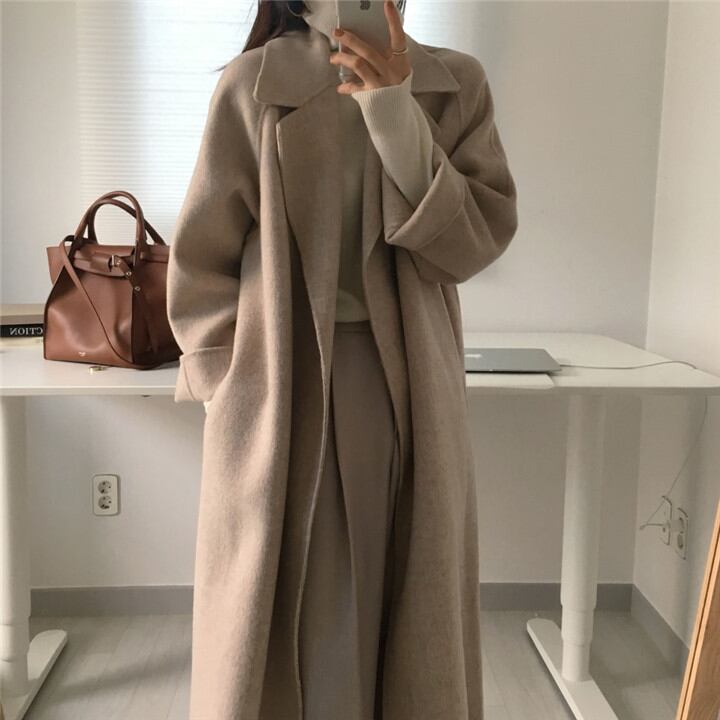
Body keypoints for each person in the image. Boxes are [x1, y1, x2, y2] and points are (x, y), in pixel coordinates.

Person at [166, 1, 519, 718]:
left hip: (410, 383)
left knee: (407, 600)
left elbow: (472, 244)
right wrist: (226, 382)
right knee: (304, 614)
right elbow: (201, 258)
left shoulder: (454, 84)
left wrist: (396, 113)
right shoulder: (254, 83)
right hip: (279, 386)